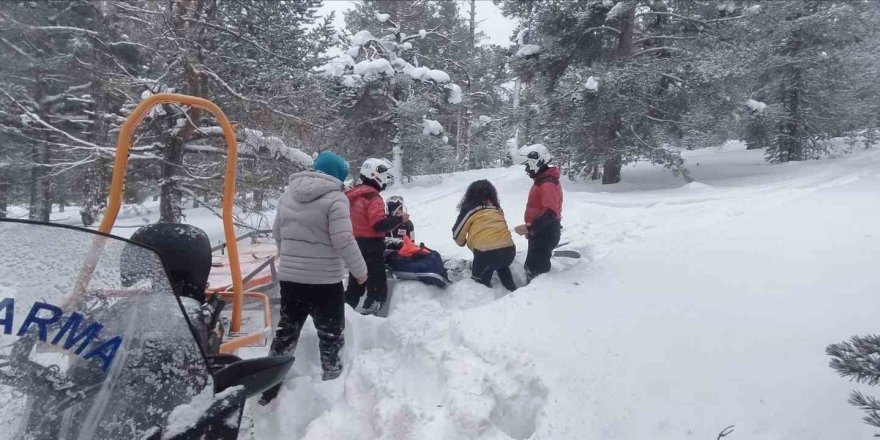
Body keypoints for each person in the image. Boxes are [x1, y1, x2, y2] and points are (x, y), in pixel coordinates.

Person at [262, 151, 368, 404]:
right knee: (330, 333)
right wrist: (361, 271)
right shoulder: (336, 199)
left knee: (286, 331)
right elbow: (343, 239)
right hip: (324, 281)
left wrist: (290, 260)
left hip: (291, 279)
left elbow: (277, 233)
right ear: (338, 174)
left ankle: (269, 387)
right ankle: (332, 385)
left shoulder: (287, 195)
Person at [344, 158, 408, 315]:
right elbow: (378, 224)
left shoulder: (352, 195)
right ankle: (373, 321)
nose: (385, 179)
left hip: (353, 244)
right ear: (375, 175)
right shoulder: (373, 197)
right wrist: (400, 219)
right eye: (384, 175)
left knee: (356, 282)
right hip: (371, 246)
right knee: (377, 285)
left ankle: (343, 312)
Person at [452, 180, 517, 291]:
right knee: (501, 265)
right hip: (509, 252)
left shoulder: (469, 209)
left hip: (485, 255)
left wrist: (462, 242)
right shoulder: (497, 209)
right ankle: (513, 290)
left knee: (479, 287)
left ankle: (485, 301)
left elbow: (457, 234)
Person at [513, 145, 563, 281]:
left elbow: (550, 212)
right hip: (540, 231)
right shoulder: (542, 181)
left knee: (537, 272)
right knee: (531, 266)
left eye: (528, 166)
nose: (527, 170)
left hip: (545, 232)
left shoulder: (548, 184)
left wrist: (529, 227)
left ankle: (538, 298)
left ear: (537, 162)